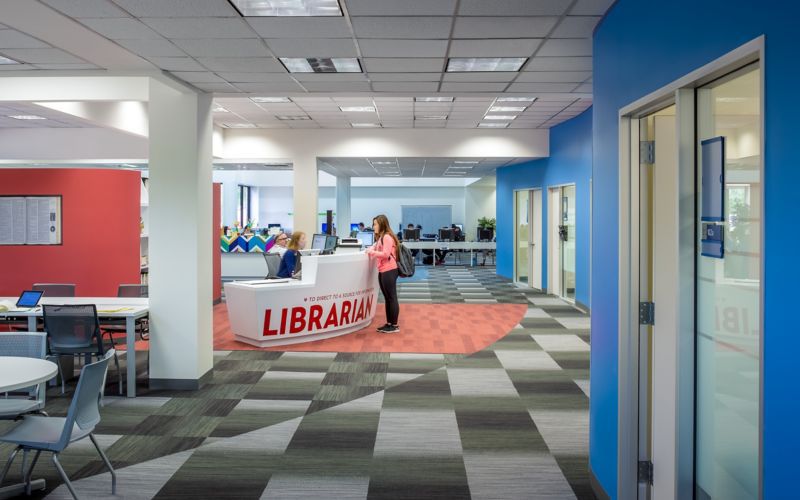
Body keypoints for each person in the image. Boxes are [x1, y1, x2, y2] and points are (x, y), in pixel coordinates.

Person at [366, 215, 400, 333]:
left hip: (389, 270)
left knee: (391, 297)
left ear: (381, 224)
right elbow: (375, 248)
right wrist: (372, 250)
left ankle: (394, 325)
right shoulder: (380, 237)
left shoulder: (386, 237)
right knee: (387, 298)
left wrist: (372, 252)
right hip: (383, 270)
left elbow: (385, 254)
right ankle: (389, 323)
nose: (373, 226)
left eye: (375, 224)